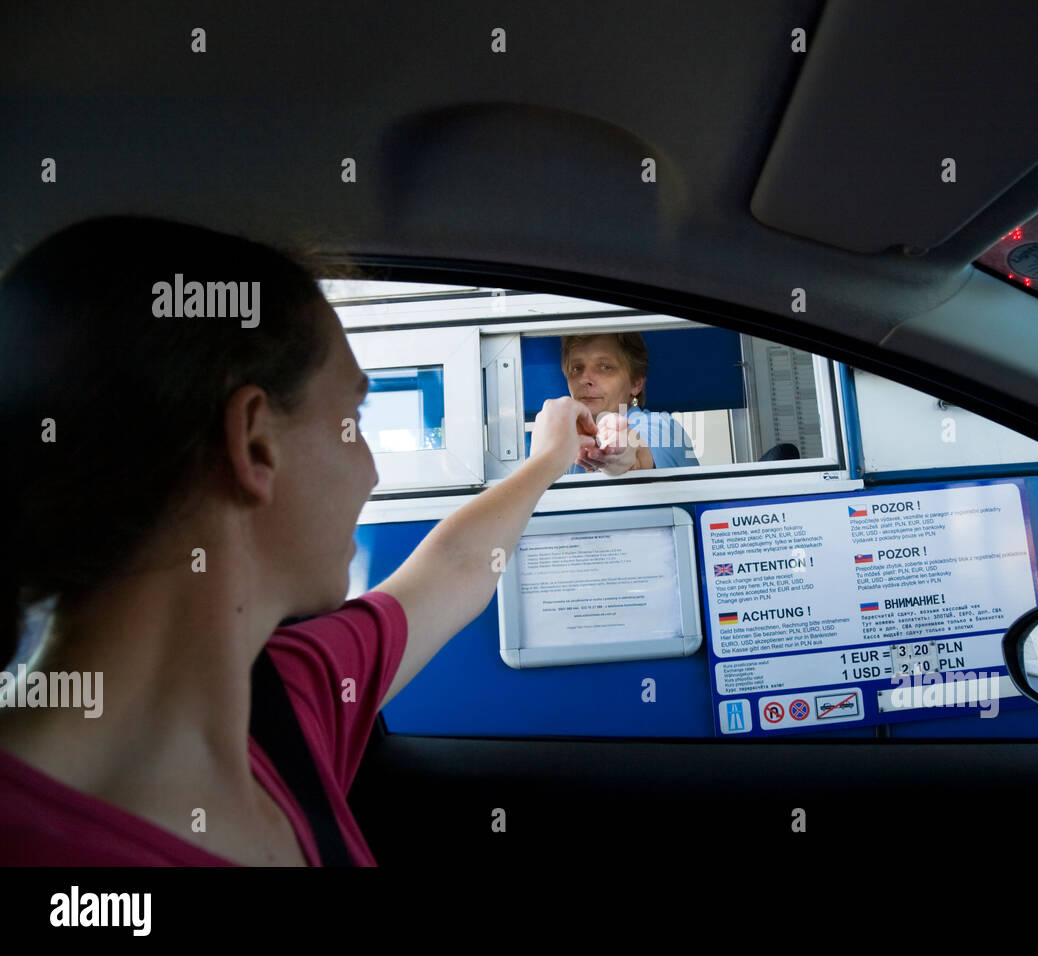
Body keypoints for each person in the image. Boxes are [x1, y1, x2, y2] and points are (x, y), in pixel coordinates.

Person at [0, 216, 599, 865]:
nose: (369, 467)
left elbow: (455, 567)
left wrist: (549, 459)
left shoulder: (282, 700)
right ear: (254, 441)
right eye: (351, 417)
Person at [559, 332, 699, 476]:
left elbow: (635, 454)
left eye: (605, 367)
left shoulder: (663, 426)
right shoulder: (567, 443)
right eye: (577, 368)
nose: (584, 379)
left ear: (636, 383)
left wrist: (614, 451)